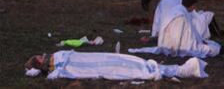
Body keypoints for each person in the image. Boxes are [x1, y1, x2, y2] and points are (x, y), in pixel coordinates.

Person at [130, 0, 221, 58]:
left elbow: (191, 31)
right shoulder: (180, 16)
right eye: (194, 5)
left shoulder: (181, 10)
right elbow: (177, 38)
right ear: (191, 5)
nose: (195, 8)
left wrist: (199, 40)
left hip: (173, 43)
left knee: (213, 44)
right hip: (173, 46)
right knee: (212, 49)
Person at [24, 51, 208, 80]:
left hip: (94, 60)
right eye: (39, 57)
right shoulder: (57, 65)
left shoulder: (58, 61)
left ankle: (182, 69)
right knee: (128, 67)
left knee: (126, 62)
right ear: (39, 61)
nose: (43, 55)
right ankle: (181, 69)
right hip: (96, 66)